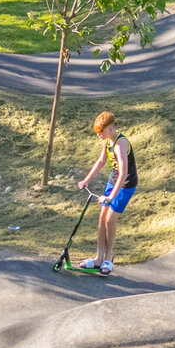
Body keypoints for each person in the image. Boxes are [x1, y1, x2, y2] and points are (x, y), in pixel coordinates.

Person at [76, 111, 137, 275]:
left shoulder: (120, 144)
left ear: (110, 128)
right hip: (113, 181)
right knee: (102, 217)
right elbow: (102, 161)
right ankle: (98, 258)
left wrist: (110, 197)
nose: (98, 135)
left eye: (101, 132)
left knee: (110, 219)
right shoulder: (108, 142)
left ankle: (109, 258)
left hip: (125, 185)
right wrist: (86, 179)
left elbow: (124, 174)